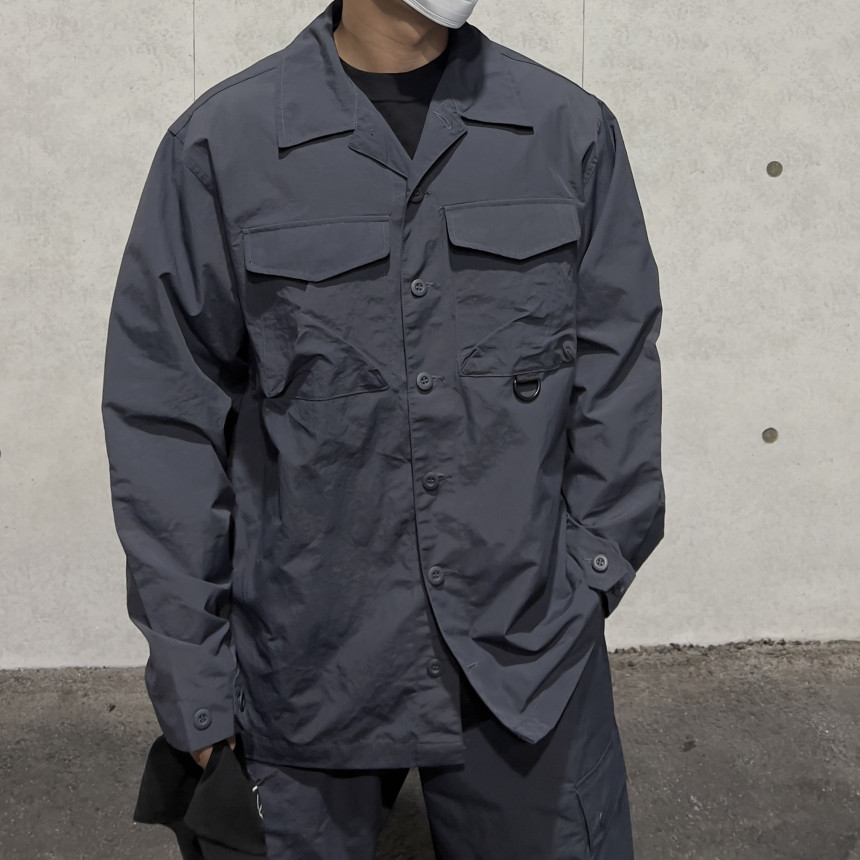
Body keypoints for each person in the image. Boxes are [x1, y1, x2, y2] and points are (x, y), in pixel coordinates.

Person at [101, 0, 665, 856]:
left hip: (525, 659)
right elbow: (164, 418)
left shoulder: (567, 131)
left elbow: (617, 369)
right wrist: (195, 681)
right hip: (303, 661)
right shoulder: (224, 145)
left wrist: (587, 578)